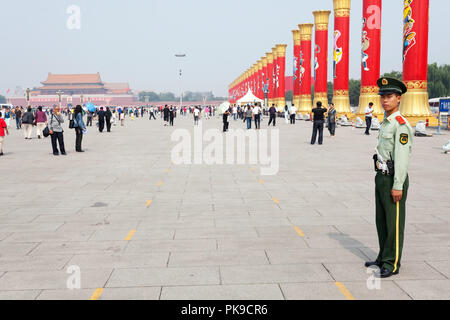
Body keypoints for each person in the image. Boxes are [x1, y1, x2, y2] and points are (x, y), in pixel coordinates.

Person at [366, 77, 413, 279]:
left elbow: (402, 158)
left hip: (394, 178)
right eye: (383, 96)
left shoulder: (400, 125)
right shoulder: (386, 122)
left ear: (399, 98)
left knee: (394, 223)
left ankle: (392, 263)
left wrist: (398, 185)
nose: (385, 100)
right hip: (381, 176)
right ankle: (383, 255)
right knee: (381, 220)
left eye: (389, 96)